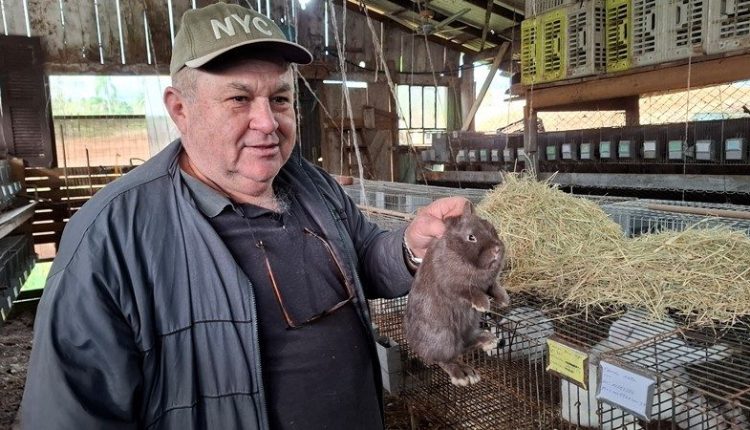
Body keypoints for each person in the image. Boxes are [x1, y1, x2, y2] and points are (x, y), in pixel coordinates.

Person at [21, 2, 468, 429]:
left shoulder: (312, 184)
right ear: (180, 109)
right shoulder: (110, 237)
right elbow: (71, 413)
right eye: (239, 99)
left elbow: (365, 255)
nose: (268, 123)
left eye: (280, 99)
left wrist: (411, 247)